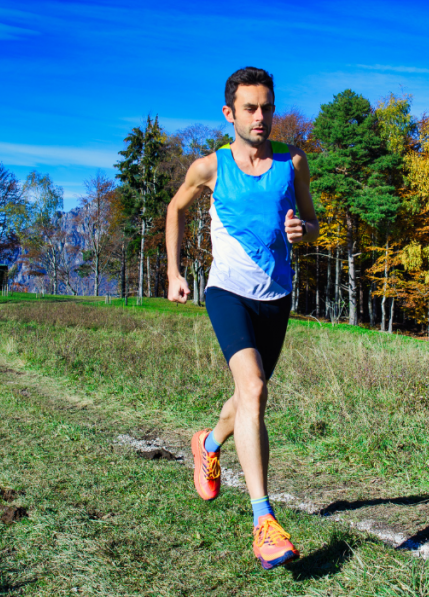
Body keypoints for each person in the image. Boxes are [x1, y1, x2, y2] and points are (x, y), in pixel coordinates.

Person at [165, 66, 319, 570]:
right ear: (229, 113)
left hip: (276, 297)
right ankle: (263, 522)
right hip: (226, 292)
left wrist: (305, 231)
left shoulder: (292, 163)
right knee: (253, 390)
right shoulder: (210, 167)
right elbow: (175, 209)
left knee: (245, 396)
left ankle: (207, 444)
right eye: (250, 108)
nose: (261, 117)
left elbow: (312, 222)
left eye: (267, 107)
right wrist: (173, 271)